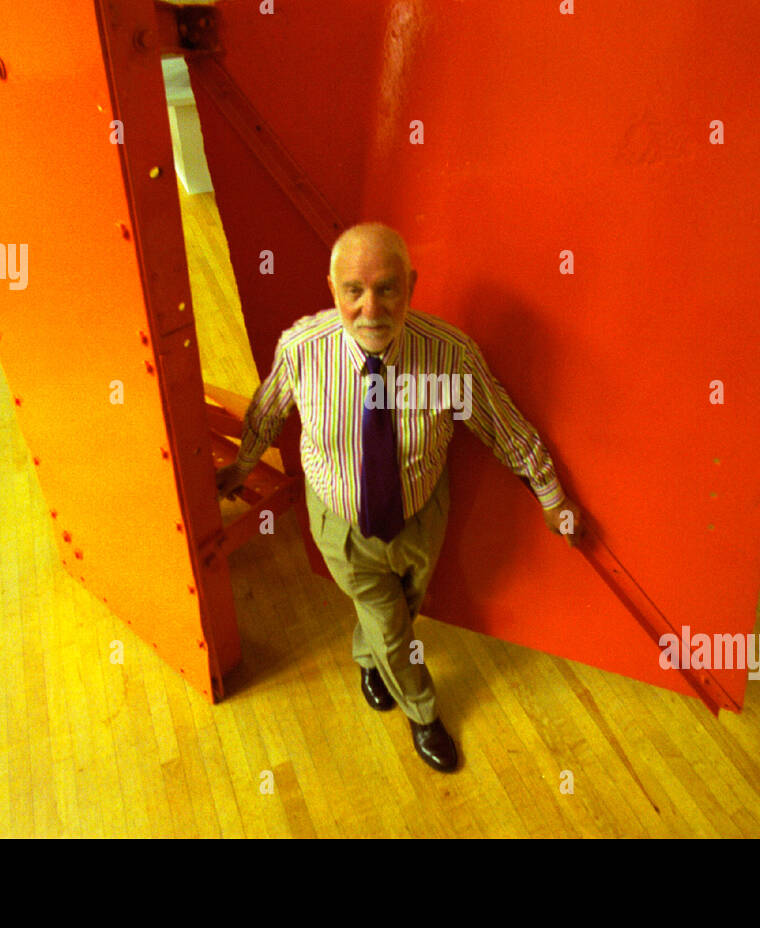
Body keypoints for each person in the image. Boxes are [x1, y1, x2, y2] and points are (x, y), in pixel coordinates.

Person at [215, 223, 583, 772]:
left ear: (410, 285)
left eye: (387, 288)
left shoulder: (450, 356)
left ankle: (368, 659)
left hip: (420, 514)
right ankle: (424, 711)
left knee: (402, 611)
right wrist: (240, 468)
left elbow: (502, 426)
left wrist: (551, 494)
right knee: (391, 624)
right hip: (339, 521)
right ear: (332, 288)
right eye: (353, 291)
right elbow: (267, 413)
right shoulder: (303, 351)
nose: (370, 309)